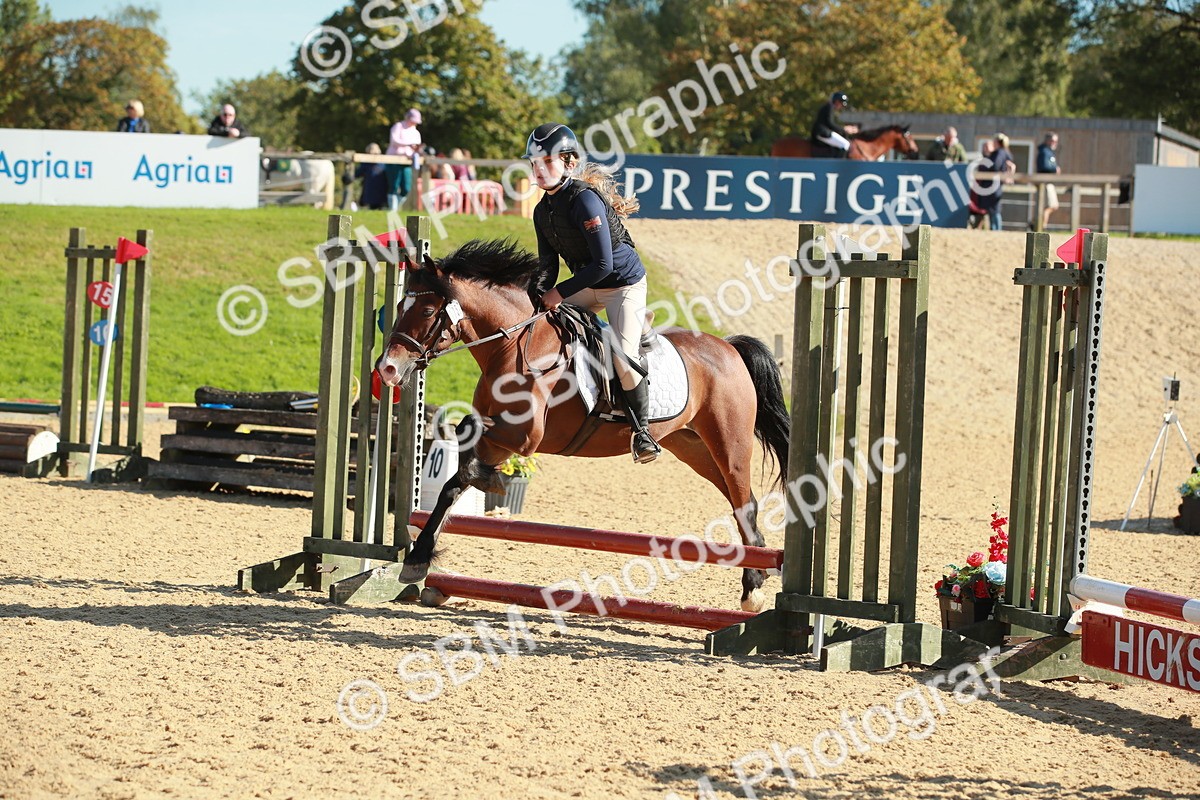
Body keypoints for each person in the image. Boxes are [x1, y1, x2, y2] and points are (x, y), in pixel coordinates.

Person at [524, 122, 659, 464]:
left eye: (546, 161)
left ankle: (642, 433)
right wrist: (533, 296)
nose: (538, 169)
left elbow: (602, 264)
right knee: (542, 324)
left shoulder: (585, 201)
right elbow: (548, 268)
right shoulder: (543, 210)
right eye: (534, 162)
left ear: (569, 163)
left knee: (623, 357)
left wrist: (559, 293)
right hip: (587, 286)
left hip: (621, 285)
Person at [385, 108, 422, 211]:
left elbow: (417, 145)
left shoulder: (415, 132)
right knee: (394, 185)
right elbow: (394, 141)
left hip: (407, 161)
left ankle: (397, 206)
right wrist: (408, 144)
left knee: (406, 187)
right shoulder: (398, 127)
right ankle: (393, 208)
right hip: (394, 159)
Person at [979, 133, 1016, 231]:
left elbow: (996, 166)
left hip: (994, 185)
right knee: (992, 210)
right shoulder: (1003, 152)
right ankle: (994, 229)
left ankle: (996, 230)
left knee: (994, 210)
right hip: (994, 185)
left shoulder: (999, 153)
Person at [810, 91, 854, 157]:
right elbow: (830, 124)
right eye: (841, 103)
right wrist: (844, 129)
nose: (841, 106)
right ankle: (837, 166)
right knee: (845, 144)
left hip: (822, 131)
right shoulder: (829, 107)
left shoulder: (829, 107)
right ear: (836, 101)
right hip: (822, 132)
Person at [1036, 131, 1061, 230]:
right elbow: (1043, 166)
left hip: (1049, 182)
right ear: (1047, 141)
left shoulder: (1048, 152)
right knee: (1050, 205)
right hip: (1045, 182)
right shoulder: (1044, 152)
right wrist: (1055, 169)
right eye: (1053, 141)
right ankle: (1041, 227)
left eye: (1056, 141)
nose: (1054, 143)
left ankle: (1037, 224)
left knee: (1052, 205)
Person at [355, 143, 389, 211]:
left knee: (380, 207)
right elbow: (357, 174)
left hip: (381, 191)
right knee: (372, 208)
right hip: (370, 192)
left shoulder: (384, 163)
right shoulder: (366, 164)